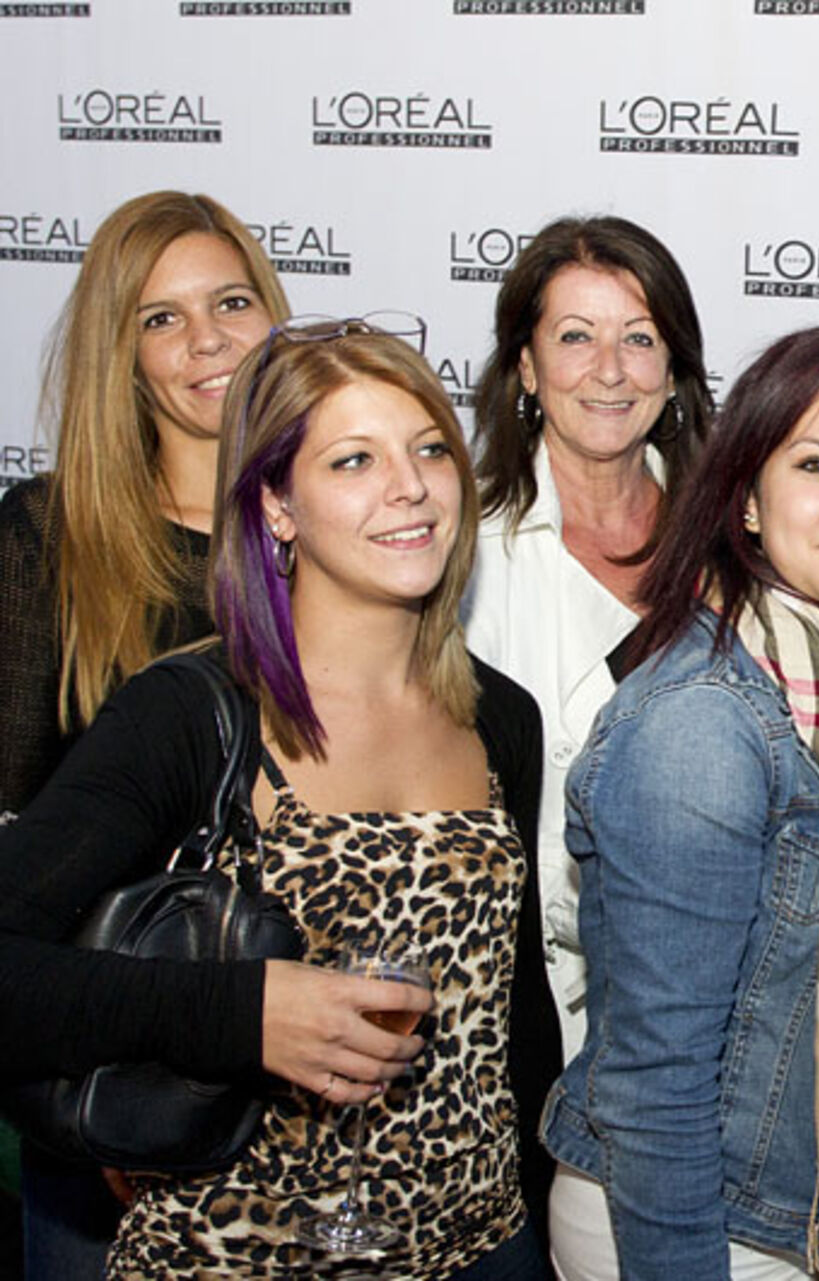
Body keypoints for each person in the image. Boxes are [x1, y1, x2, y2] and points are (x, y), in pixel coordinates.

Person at [0, 320, 562, 1278]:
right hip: (241, 1254)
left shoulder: (500, 716)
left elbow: (519, 1016)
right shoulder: (192, 714)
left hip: (480, 1246)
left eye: (431, 448)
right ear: (276, 504)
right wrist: (244, 1012)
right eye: (354, 459)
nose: (410, 485)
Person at [542, 321, 819, 1280]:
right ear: (749, 500)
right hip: (693, 1220)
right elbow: (656, 1084)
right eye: (816, 464)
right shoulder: (705, 719)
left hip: (798, 1208)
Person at [0, 188, 290, 1277]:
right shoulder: (50, 541)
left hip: (312, 1085)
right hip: (112, 1098)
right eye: (161, 318)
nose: (207, 339)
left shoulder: (346, 529)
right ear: (121, 357)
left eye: (231, 302)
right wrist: (124, 1096)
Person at [463, 215, 715, 1059]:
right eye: (576, 336)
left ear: (674, 370)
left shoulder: (734, 549)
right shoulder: (461, 550)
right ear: (527, 367)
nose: (610, 369)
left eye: (639, 338)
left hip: (699, 1005)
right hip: (515, 1013)